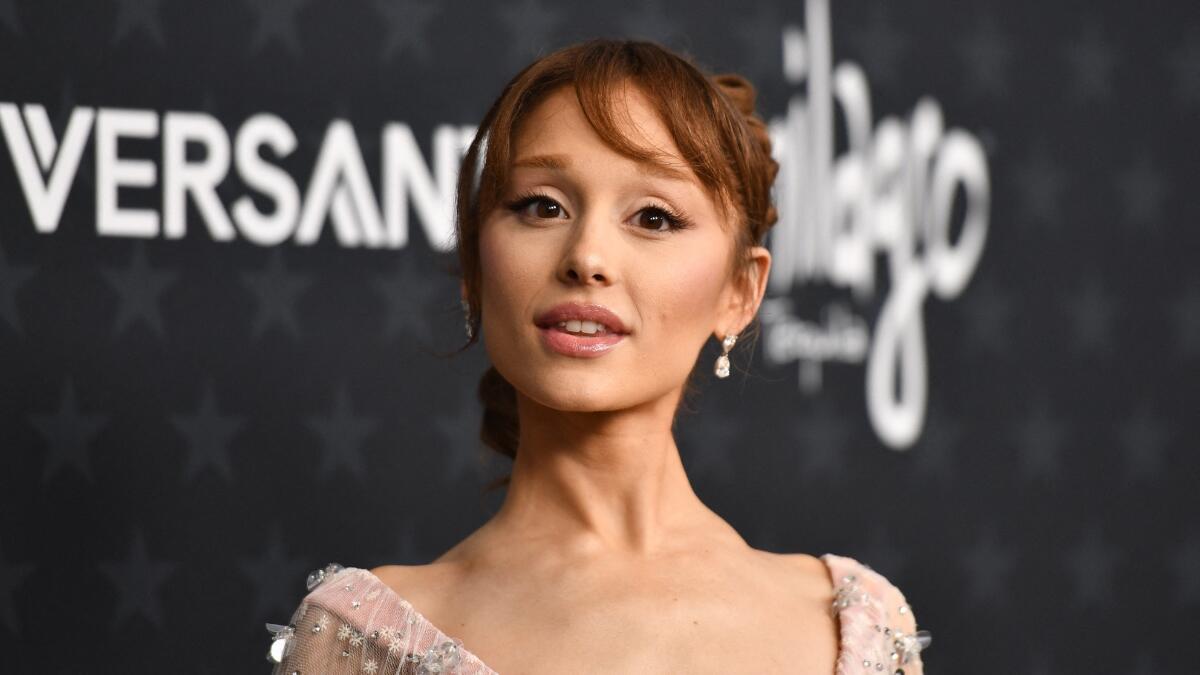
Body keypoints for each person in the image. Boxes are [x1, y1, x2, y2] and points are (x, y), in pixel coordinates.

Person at [265, 39, 931, 674]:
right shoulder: (360, 639)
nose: (586, 256)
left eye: (653, 217)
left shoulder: (855, 623)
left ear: (739, 292)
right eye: (542, 206)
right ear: (475, 269)